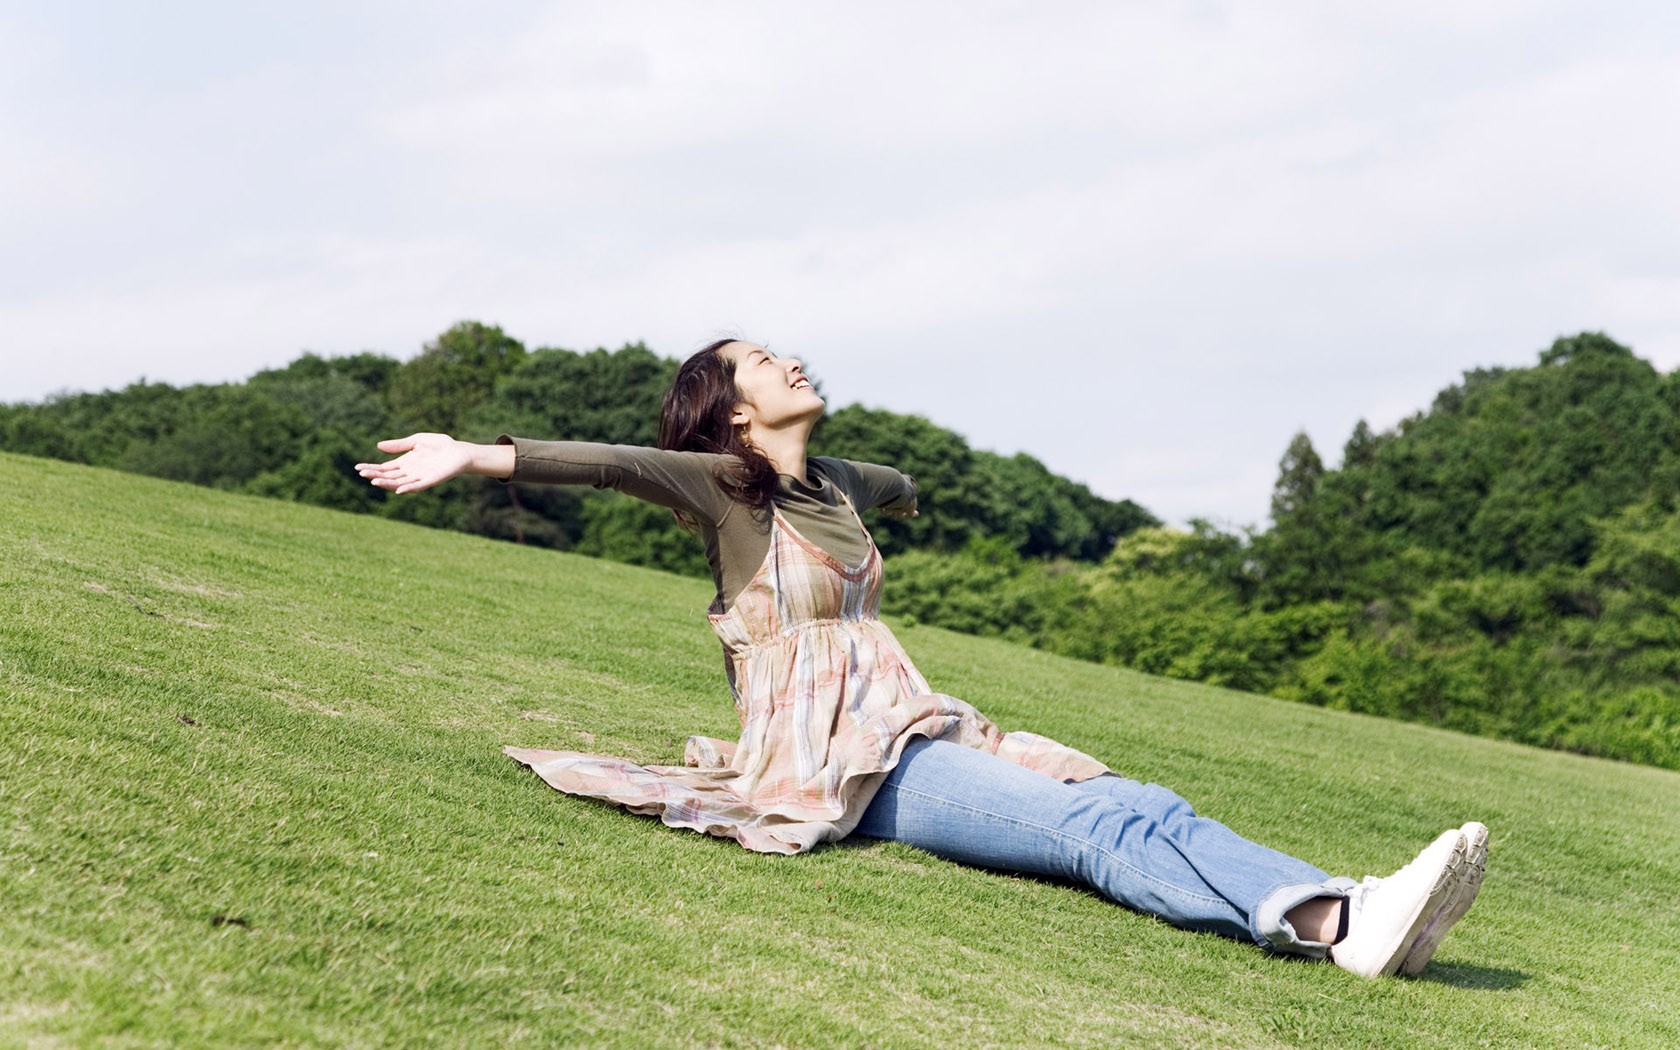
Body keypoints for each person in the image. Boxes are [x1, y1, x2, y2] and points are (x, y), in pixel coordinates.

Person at [356, 338, 1488, 978]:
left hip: (913, 723)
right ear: (731, 416)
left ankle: (1345, 907)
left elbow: (891, 485)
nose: (789, 359)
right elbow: (602, 464)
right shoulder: (720, 488)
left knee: (1132, 796)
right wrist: (477, 454)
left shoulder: (837, 484)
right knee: (1096, 831)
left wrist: (868, 479)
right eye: (763, 361)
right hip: (840, 761)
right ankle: (1337, 921)